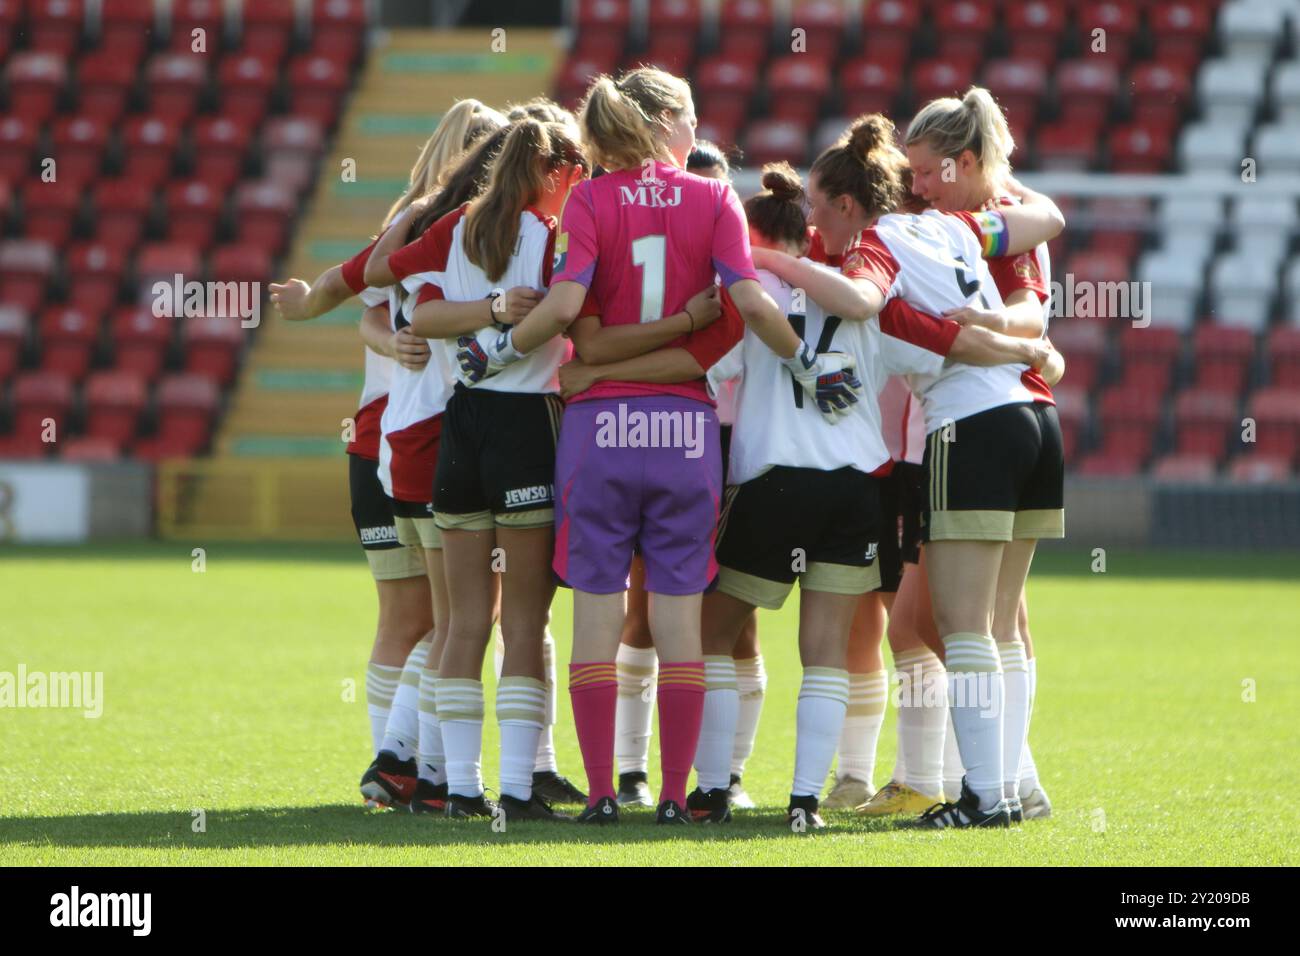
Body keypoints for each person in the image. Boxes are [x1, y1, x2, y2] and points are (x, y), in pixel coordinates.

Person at [457, 67, 859, 824]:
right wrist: (807, 359)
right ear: (669, 120)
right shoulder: (712, 199)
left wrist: (501, 348)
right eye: (693, 118)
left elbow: (570, 311)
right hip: (684, 435)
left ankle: (605, 795)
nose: (698, 132)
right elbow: (747, 305)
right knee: (679, 628)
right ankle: (675, 796)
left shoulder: (589, 199)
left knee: (598, 624)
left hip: (598, 434)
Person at [693, 159, 1058, 828]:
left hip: (774, 480)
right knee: (839, 646)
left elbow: (708, 366)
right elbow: (948, 344)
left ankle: (713, 788)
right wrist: (1033, 356)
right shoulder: (884, 301)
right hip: (861, 485)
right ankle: (811, 802)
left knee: (712, 634)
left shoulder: (752, 291)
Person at [268, 99, 505, 809]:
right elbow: (376, 305)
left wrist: (319, 307)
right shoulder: (461, 227)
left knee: (414, 619)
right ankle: (406, 764)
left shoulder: (407, 223)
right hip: (425, 437)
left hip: (382, 441)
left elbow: (365, 297)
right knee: (457, 616)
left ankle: (400, 774)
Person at [366, 119, 589, 820]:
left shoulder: (459, 223)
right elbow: (570, 314)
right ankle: (520, 791)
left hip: (459, 426)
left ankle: (460, 789)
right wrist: (506, 327)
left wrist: (481, 318)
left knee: (463, 622)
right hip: (525, 425)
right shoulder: (555, 234)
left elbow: (414, 307)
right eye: (575, 165)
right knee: (524, 621)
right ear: (553, 171)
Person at [905, 86, 1061, 819]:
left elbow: (1029, 294)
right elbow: (1039, 282)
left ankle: (983, 796)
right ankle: (1016, 785)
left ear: (965, 160)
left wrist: (988, 331)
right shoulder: (1002, 215)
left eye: (930, 170)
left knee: (962, 624)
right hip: (1038, 415)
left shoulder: (967, 223)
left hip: (976, 421)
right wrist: (1024, 342)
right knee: (999, 623)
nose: (917, 187)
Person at [609, 139, 766, 811]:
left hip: (733, 448)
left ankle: (725, 776)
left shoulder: (746, 274)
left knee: (736, 623)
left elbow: (742, 356)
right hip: (666, 437)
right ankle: (630, 769)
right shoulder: (651, 275)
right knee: (643, 613)